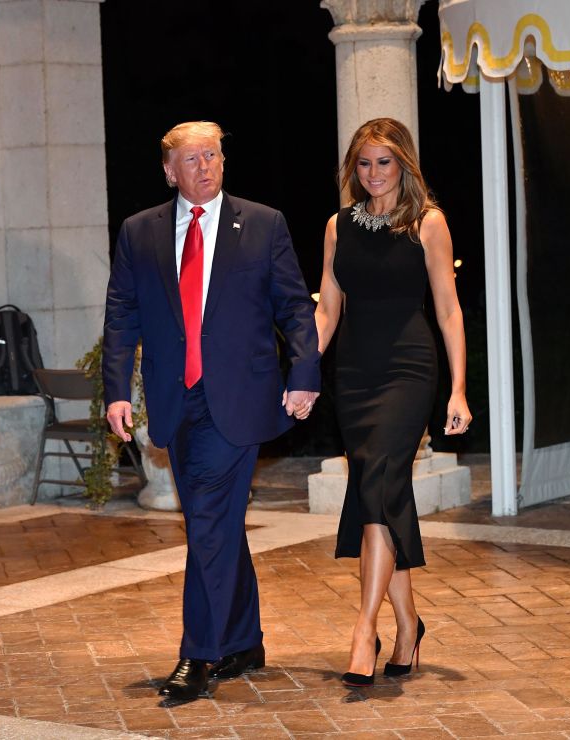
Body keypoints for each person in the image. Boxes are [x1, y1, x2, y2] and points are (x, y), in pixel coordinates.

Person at [103, 121, 321, 702]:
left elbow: (296, 308)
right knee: (216, 523)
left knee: (205, 523)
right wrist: (118, 390)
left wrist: (303, 376)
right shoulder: (139, 232)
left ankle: (199, 652)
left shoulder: (263, 224)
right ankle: (244, 640)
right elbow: (121, 312)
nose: (205, 165)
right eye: (192, 158)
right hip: (178, 400)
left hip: (240, 399)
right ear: (169, 170)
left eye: (213, 155)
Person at [312, 118, 470, 687]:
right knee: (381, 494)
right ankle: (407, 624)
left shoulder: (429, 224)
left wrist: (458, 388)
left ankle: (363, 629)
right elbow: (327, 309)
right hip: (353, 372)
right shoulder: (337, 227)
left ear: (404, 163)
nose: (373, 173)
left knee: (377, 482)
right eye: (363, 163)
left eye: (384, 162)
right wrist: (304, 368)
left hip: (408, 368)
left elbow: (449, 310)